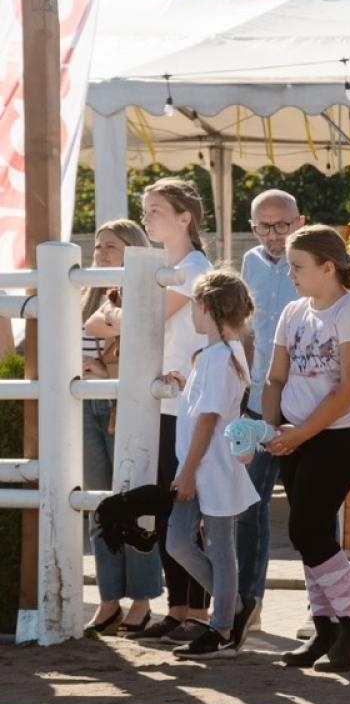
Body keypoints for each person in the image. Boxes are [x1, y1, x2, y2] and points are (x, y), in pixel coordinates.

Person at [265, 225, 350, 672]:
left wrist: (300, 433)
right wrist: (271, 429)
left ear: (327, 267)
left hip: (339, 436)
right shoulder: (293, 311)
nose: (290, 273)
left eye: (298, 266)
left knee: (306, 530)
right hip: (294, 435)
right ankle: (325, 626)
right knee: (310, 533)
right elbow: (275, 377)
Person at [127, 178, 214, 645]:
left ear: (186, 217)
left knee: (185, 508)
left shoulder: (195, 267)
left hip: (189, 405)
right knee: (163, 507)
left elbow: (142, 318)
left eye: (157, 209)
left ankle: (198, 611)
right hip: (163, 403)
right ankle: (177, 607)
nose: (148, 217)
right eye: (146, 209)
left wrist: (119, 315)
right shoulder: (161, 265)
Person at [166, 271, 261, 659]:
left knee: (218, 547)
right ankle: (233, 606)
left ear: (205, 307)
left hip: (210, 467)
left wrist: (187, 471)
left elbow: (208, 418)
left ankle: (223, 626)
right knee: (179, 542)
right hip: (201, 464)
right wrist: (185, 382)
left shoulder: (222, 356)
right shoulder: (217, 356)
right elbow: (207, 407)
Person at [80, 220, 164, 636]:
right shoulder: (84, 294)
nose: (100, 253)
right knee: (99, 505)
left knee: (131, 503)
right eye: (97, 246)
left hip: (123, 407)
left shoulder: (139, 295)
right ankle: (109, 598)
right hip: (87, 404)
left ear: (132, 249)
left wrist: (101, 367)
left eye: (110, 246)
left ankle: (143, 599)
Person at [237, 189, 304, 632]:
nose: (273, 235)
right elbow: (245, 329)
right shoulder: (250, 263)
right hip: (259, 399)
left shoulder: (314, 258)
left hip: (306, 400)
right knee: (250, 504)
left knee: (310, 507)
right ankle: (250, 606)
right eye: (264, 225)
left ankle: (324, 610)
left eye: (282, 225)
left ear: (299, 222)